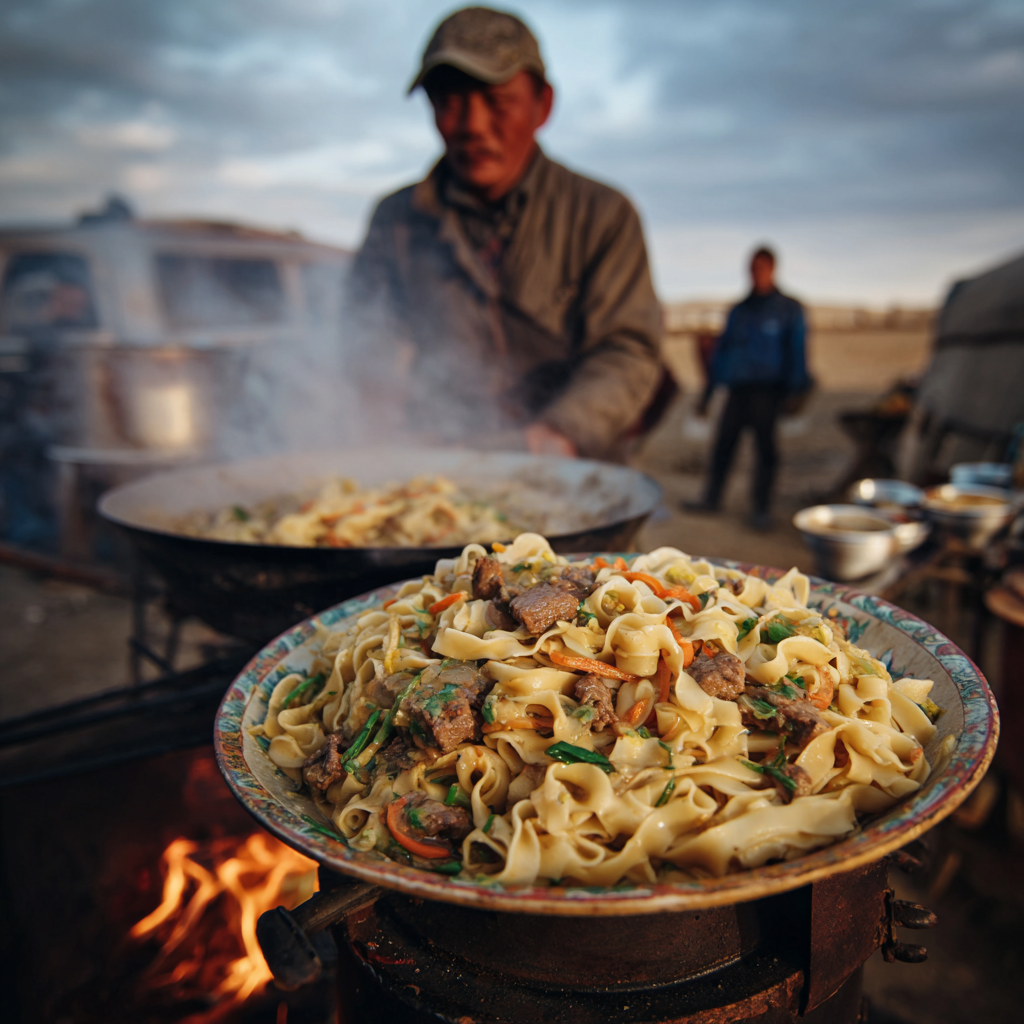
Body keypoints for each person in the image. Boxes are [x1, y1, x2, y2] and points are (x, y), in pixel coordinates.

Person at [345, 6, 663, 460]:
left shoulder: (602, 214)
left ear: (543, 105)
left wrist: (560, 432)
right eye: (450, 102)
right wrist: (379, 429)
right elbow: (364, 345)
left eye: (497, 102)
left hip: (571, 472)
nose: (472, 126)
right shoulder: (396, 220)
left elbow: (626, 350)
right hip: (439, 466)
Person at [688, 247, 810, 530]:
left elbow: (797, 349)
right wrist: (708, 393)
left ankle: (761, 509)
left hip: (768, 390)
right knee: (723, 445)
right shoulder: (740, 311)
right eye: (752, 268)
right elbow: (723, 353)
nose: (756, 274)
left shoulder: (788, 309)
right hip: (737, 389)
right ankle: (711, 499)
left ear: (772, 269)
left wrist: (796, 389)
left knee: (766, 450)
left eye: (761, 268)